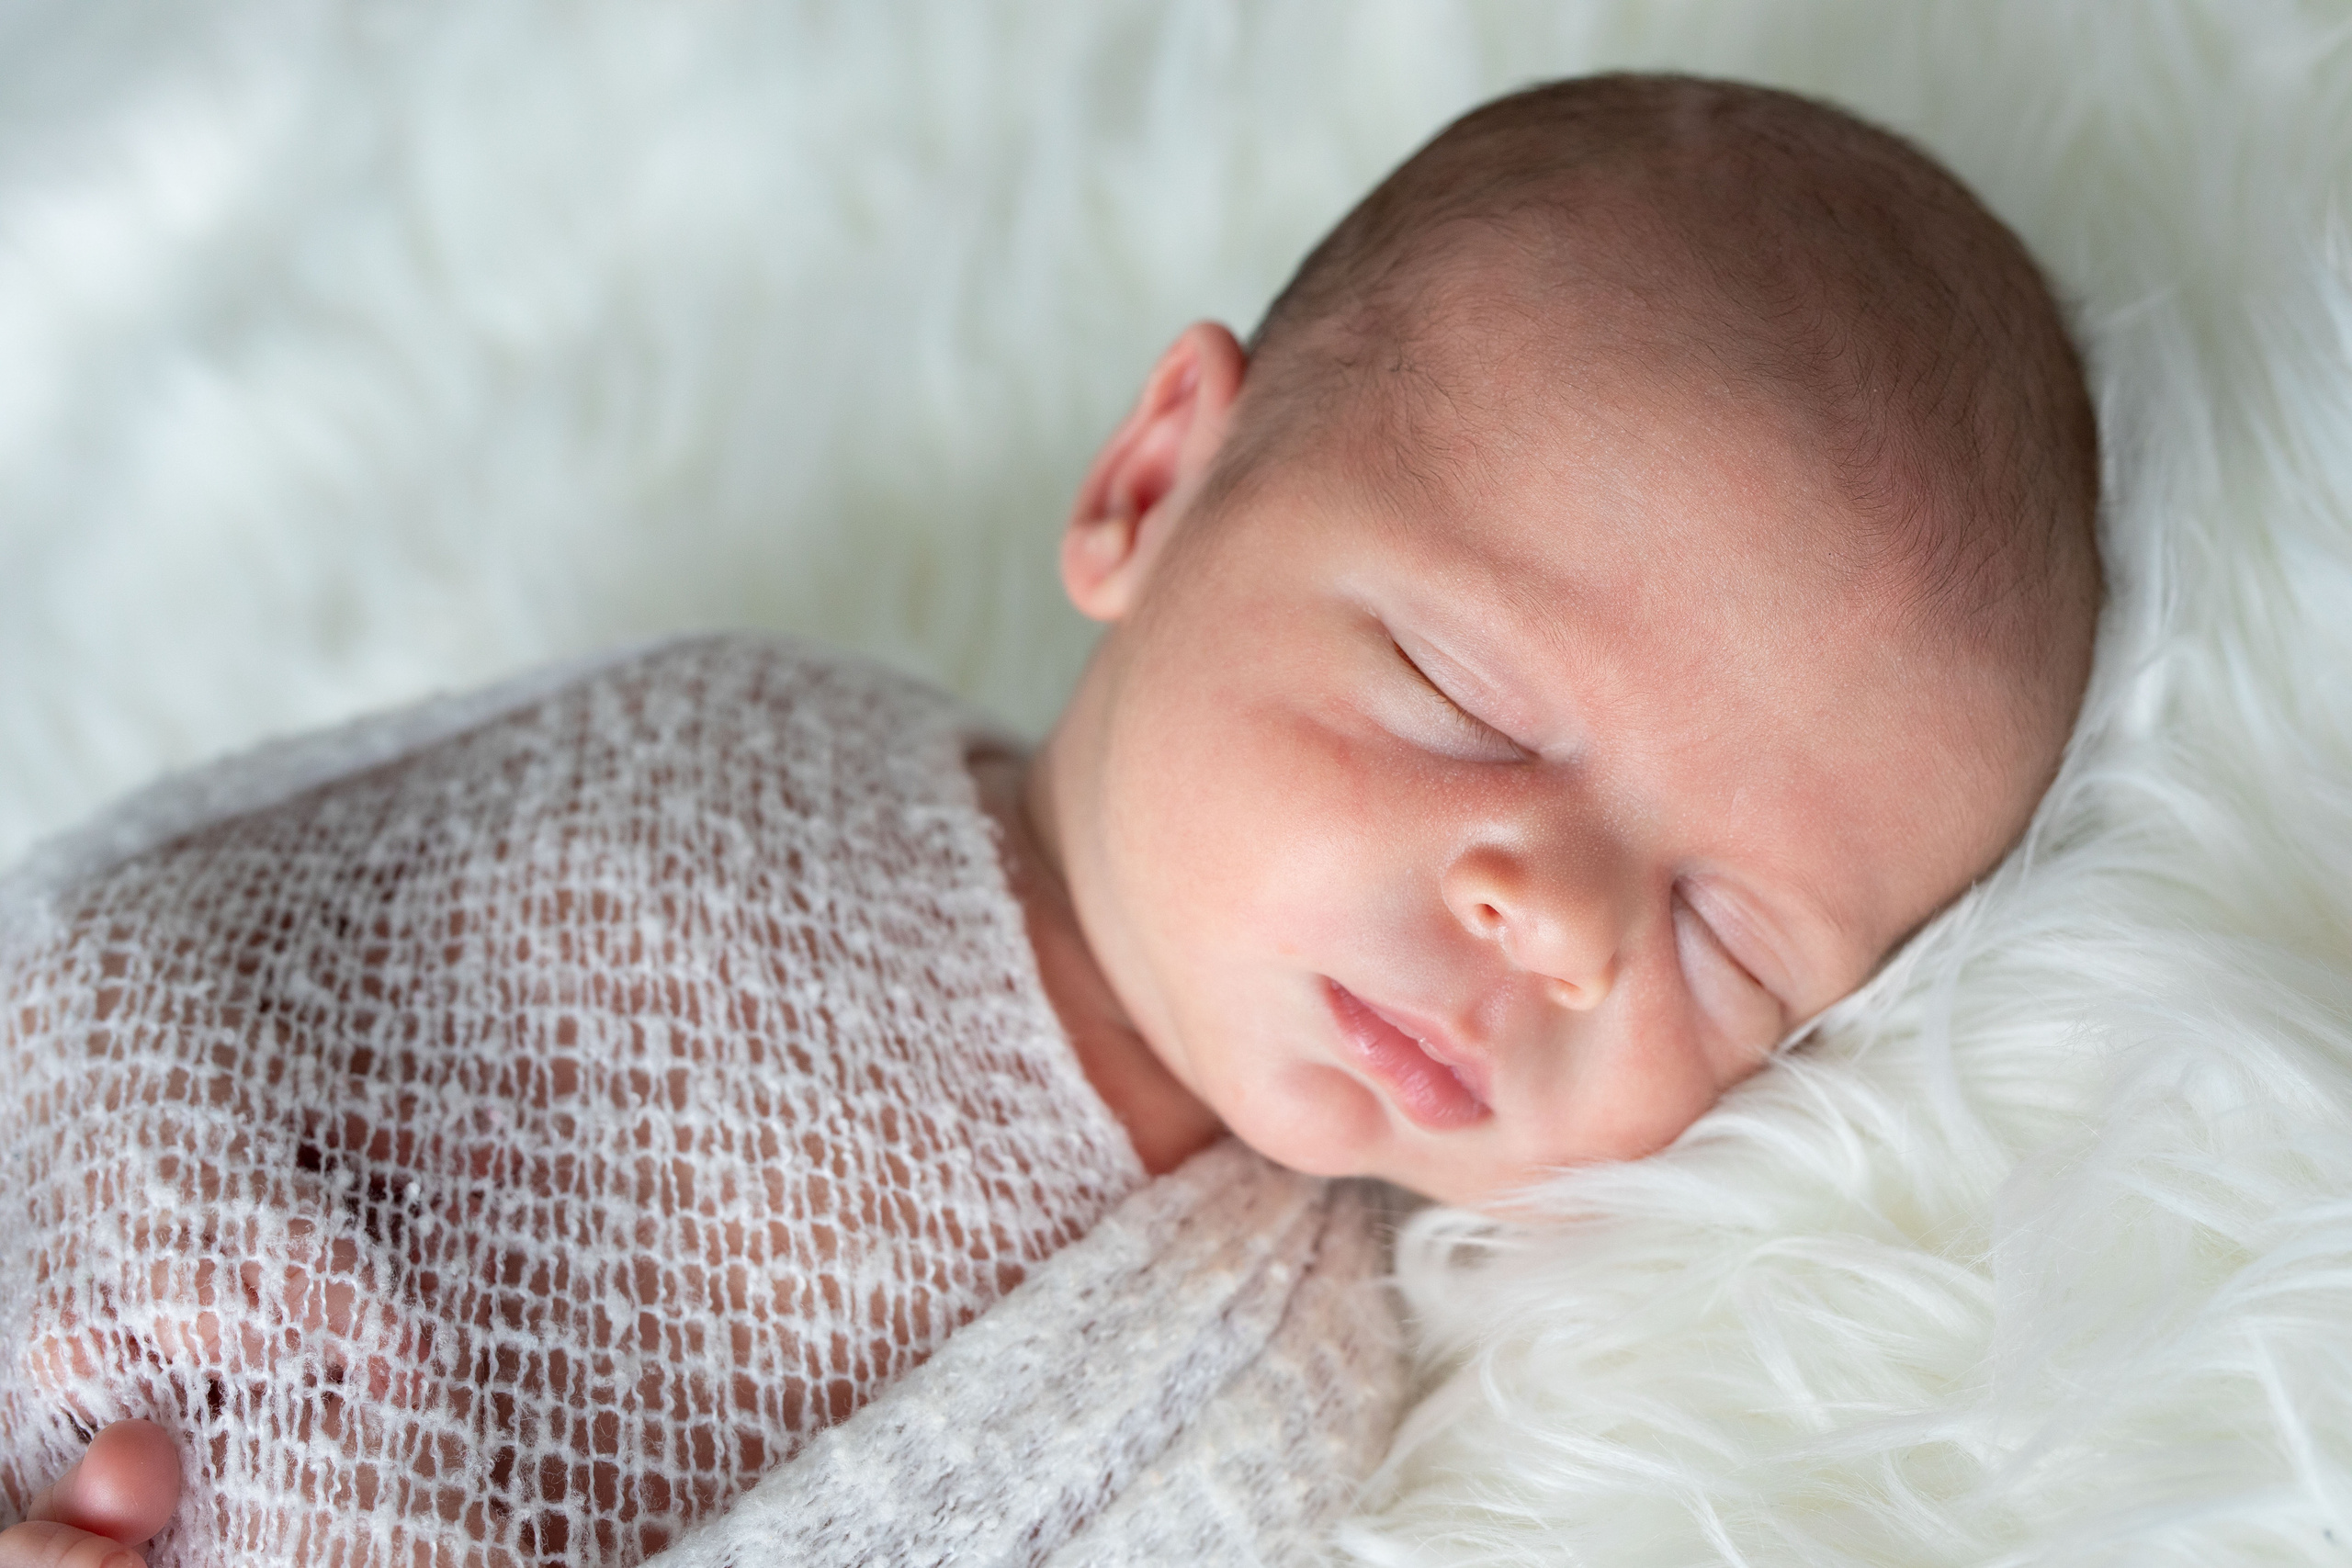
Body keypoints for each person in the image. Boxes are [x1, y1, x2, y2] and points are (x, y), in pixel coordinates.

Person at [0, 72, 2099, 1566]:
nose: (1548, 925)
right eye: (1464, 696)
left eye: (1726, 938)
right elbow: (145, 968)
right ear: (1152, 484)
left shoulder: (1267, 1401)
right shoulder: (725, 746)